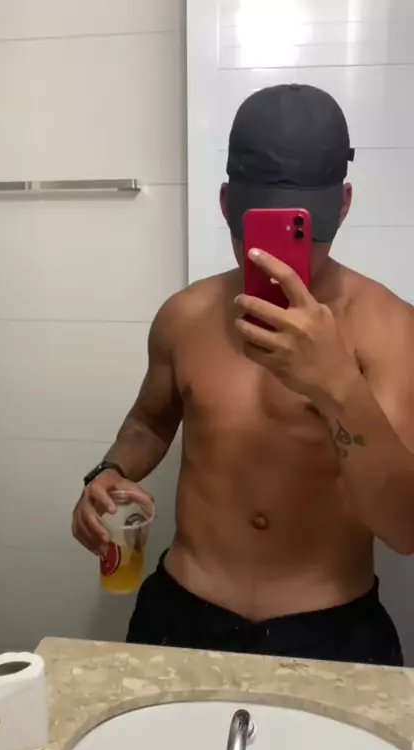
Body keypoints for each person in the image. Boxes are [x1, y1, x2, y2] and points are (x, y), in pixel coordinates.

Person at [72, 84, 414, 665]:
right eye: (259, 226)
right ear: (227, 203)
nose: (283, 257)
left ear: (344, 205)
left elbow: (404, 527)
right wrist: (110, 470)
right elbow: (149, 423)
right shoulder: (184, 316)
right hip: (182, 612)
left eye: (303, 228)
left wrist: (335, 383)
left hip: (330, 628)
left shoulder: (390, 328)